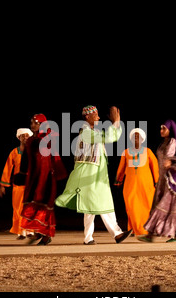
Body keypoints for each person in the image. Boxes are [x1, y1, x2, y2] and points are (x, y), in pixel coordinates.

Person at [55, 105, 132, 245]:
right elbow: (109, 137)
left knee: (92, 205)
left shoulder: (92, 132)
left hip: (96, 175)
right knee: (99, 203)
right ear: (87, 117)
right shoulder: (86, 133)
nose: (98, 117)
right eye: (95, 114)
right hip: (89, 175)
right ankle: (115, 234)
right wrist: (116, 122)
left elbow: (108, 138)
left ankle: (91, 237)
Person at [138, 120, 176, 243]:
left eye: (164, 129)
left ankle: (152, 235)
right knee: (169, 206)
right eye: (160, 128)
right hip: (163, 179)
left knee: (164, 206)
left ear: (171, 130)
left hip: (172, 181)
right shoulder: (163, 143)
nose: (161, 131)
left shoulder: (172, 141)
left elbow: (172, 157)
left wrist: (170, 161)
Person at [20, 114, 67, 245]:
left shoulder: (49, 137)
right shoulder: (30, 141)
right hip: (34, 176)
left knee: (44, 203)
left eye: (36, 123)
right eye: (31, 123)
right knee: (32, 202)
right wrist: (23, 174)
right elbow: (27, 159)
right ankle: (37, 232)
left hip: (46, 176)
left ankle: (45, 235)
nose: (32, 125)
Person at [114, 128, 159, 237]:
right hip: (130, 185)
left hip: (146, 185)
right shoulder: (126, 152)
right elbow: (121, 168)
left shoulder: (148, 152)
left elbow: (155, 167)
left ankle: (145, 229)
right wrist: (118, 180)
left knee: (146, 207)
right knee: (132, 207)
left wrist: (157, 181)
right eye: (134, 136)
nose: (136, 138)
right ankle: (135, 229)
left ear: (143, 139)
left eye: (138, 136)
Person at [0, 128, 34, 239]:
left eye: (27, 136)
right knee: (18, 208)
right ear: (19, 137)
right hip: (18, 185)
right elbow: (8, 168)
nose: (25, 138)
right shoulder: (14, 152)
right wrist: (3, 185)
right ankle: (21, 231)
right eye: (23, 136)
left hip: (31, 184)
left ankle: (30, 231)